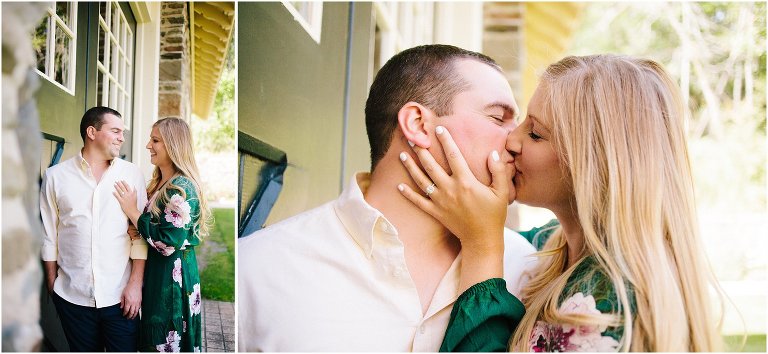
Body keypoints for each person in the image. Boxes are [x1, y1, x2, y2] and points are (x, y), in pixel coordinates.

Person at [398, 54, 723, 351]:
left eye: (536, 134)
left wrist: (482, 245)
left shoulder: (605, 307)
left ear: (595, 164)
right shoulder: (555, 244)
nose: (512, 140)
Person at [237, 44, 538, 351]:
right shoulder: (256, 269)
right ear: (419, 125)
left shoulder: (531, 270)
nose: (516, 140)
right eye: (499, 118)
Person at [40, 106, 148, 351]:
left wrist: (135, 285)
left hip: (120, 297)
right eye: (115, 131)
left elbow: (139, 236)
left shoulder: (131, 174)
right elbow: (49, 235)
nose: (122, 137)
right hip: (72, 296)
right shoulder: (55, 176)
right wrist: (52, 285)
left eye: (123, 132)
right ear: (92, 132)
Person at [113, 117, 211, 352]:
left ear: (173, 145)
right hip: (159, 274)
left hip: (172, 280)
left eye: (155, 140)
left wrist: (133, 212)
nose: (148, 145)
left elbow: (167, 242)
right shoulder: (160, 182)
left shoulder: (182, 188)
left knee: (166, 339)